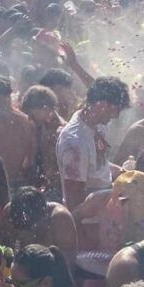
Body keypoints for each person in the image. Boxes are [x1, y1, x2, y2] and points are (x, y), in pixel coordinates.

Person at [56, 76, 129, 210]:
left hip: (105, 205)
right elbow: (75, 201)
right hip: (89, 216)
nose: (116, 116)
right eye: (116, 109)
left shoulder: (98, 125)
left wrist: (119, 171)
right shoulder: (75, 143)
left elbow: (95, 164)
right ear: (102, 105)